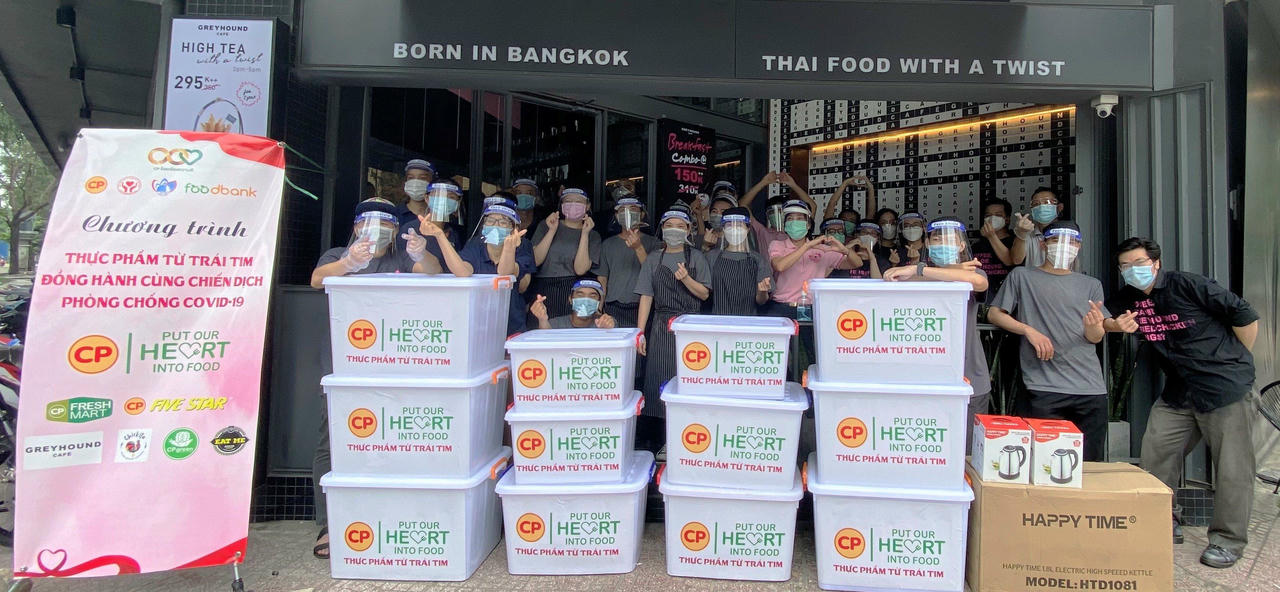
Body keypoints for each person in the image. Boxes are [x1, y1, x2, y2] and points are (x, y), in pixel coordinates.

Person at [1107, 237, 1259, 569]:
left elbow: (1245, 315)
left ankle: (1227, 541)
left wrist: (1236, 361)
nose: (1133, 270)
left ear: (1156, 263)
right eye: (1125, 266)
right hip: (1178, 391)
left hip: (1224, 388)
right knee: (1156, 454)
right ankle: (1163, 520)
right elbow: (1105, 320)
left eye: (1139, 263)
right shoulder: (1127, 298)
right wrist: (1112, 326)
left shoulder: (1187, 284)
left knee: (1233, 469)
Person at [308, 197, 440, 559]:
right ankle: (329, 524)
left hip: (393, 361)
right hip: (342, 362)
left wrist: (421, 252)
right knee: (333, 438)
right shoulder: (337, 254)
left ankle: (383, 514)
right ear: (356, 226)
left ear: (395, 230)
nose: (377, 230)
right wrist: (348, 264)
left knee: (390, 437)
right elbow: (317, 280)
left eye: (385, 224)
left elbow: (432, 272)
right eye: (369, 223)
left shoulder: (399, 257)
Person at [985, 221, 1114, 462]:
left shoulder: (1091, 284)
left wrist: (1096, 327)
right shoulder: (1022, 276)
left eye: (1071, 242)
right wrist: (1028, 330)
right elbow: (994, 313)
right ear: (1043, 244)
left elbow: (1095, 336)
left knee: (1090, 466)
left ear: (1079, 246)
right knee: (1042, 463)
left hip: (1090, 388)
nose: (1064, 246)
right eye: (1056, 240)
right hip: (1042, 386)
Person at [882, 216, 992, 452]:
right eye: (936, 239)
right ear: (928, 244)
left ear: (961, 246)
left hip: (968, 377)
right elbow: (891, 277)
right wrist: (918, 271)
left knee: (965, 453)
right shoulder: (916, 276)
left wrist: (919, 268)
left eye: (950, 239)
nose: (943, 243)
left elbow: (978, 283)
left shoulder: (973, 272)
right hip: (924, 379)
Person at [635, 210, 712, 452]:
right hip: (661, 327)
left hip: (690, 327)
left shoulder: (696, 257)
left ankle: (687, 436)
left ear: (688, 230)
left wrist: (686, 279)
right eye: (669, 225)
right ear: (662, 229)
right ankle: (660, 440)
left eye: (680, 225)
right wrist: (640, 332)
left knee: (688, 382)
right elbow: (646, 296)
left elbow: (704, 294)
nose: (674, 229)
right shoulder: (653, 259)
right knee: (658, 380)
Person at [447, 202, 536, 336]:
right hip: (478, 326)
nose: (495, 226)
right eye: (490, 221)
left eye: (503, 222)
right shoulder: (475, 245)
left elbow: (504, 272)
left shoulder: (522, 247)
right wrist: (440, 236)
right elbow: (462, 271)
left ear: (514, 229)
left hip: (511, 326)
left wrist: (509, 248)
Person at [765, 200, 862, 318]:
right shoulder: (777, 245)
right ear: (785, 225)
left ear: (808, 225)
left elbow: (857, 263)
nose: (794, 222)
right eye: (790, 219)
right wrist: (807, 246)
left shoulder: (822, 249)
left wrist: (844, 249)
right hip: (781, 307)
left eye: (799, 219)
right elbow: (780, 266)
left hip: (810, 308)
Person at [530, 188, 602, 323]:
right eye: (568, 201)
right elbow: (535, 260)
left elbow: (580, 269)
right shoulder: (545, 225)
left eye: (578, 201)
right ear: (561, 205)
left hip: (573, 290)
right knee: (540, 328)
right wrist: (552, 230)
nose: (573, 204)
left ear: (587, 206)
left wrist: (585, 233)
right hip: (544, 287)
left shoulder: (593, 235)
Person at [594, 197, 658, 328]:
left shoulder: (654, 243)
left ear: (642, 214)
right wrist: (599, 308)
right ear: (616, 216)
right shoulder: (608, 244)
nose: (627, 213)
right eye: (622, 210)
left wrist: (638, 248)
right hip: (614, 306)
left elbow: (655, 274)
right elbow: (602, 280)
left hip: (643, 306)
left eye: (633, 209)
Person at [704, 207, 772, 315]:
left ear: (748, 229)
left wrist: (762, 292)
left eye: (739, 225)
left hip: (748, 321)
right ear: (723, 229)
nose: (734, 229)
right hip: (718, 321)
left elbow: (761, 301)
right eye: (729, 225)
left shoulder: (758, 260)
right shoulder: (711, 257)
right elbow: (704, 293)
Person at [739, 171, 818, 253]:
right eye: (772, 212)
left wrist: (792, 185)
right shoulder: (762, 232)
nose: (777, 215)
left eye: (781, 212)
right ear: (767, 215)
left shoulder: (797, 230)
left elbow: (812, 207)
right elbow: (742, 205)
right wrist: (763, 183)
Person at [1010, 187, 1075, 269]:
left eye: (1047, 202)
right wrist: (1021, 235)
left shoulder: (1068, 234)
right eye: (1036, 204)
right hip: (1033, 277)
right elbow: (1016, 260)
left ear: (1059, 207)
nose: (1041, 207)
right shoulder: (1029, 233)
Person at [530, 279, 618, 329]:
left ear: (599, 302)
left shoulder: (604, 321)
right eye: (580, 295)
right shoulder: (556, 324)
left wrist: (607, 328)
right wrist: (542, 319)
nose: (586, 300)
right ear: (570, 299)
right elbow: (546, 342)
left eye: (592, 296)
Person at [973, 198, 1017, 296]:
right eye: (988, 215)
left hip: (1008, 295)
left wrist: (991, 236)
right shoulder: (976, 246)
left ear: (1007, 219)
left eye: (998, 215)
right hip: (982, 295)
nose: (992, 218)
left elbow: (1010, 261)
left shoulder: (1015, 241)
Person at [394, 159, 436, 230]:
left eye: (422, 178)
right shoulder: (395, 214)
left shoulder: (438, 216)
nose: (416, 182)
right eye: (411, 178)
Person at [872, 207, 907, 271]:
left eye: (892, 223)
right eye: (883, 223)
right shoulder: (872, 250)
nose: (888, 226)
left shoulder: (902, 250)